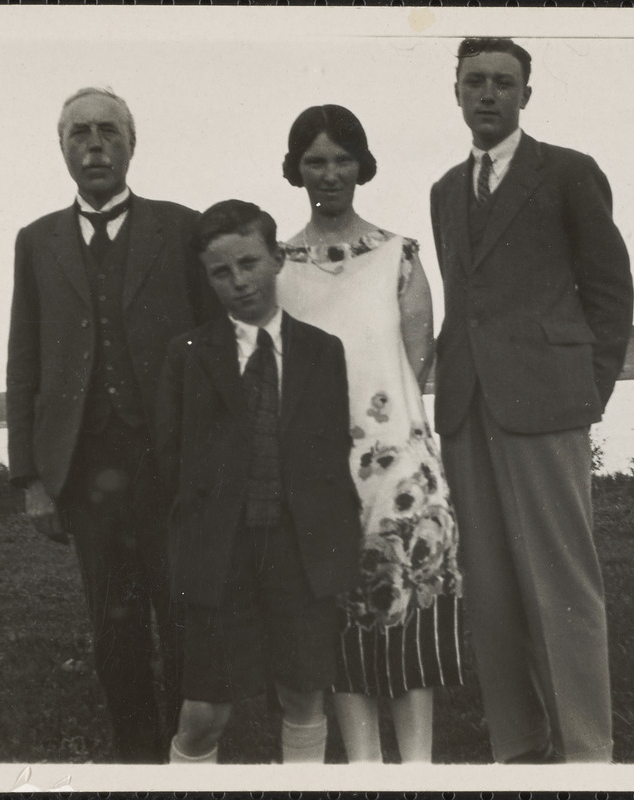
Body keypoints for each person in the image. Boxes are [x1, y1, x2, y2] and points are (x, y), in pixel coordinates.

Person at [429, 38, 634, 763]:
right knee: (486, 582)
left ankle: (586, 751)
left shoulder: (569, 174)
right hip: (465, 407)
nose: (488, 94)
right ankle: (517, 744)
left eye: (503, 83)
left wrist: (589, 387)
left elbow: (609, 292)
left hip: (547, 402)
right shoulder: (445, 190)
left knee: (561, 580)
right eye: (474, 82)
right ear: (455, 92)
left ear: (525, 95)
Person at [6, 87, 212, 762]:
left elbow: (217, 351)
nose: (94, 145)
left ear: (131, 142)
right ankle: (134, 756)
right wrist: (32, 478)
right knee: (112, 626)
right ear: (60, 147)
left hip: (170, 467)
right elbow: (24, 360)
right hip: (86, 475)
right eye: (79, 134)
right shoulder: (36, 242)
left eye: (107, 132)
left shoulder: (182, 229)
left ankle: (189, 754)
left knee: (182, 614)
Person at [276, 105, 463, 764]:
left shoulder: (398, 257)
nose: (329, 174)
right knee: (337, 619)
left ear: (361, 166)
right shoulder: (277, 266)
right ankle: (362, 768)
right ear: (296, 169)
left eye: (341, 160)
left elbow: (414, 360)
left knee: (408, 617)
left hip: (398, 470)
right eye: (315, 161)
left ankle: (416, 768)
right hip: (315, 471)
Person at [155, 199, 363, 765]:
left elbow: (330, 456)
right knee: (205, 712)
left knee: (302, 694)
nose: (239, 282)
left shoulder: (322, 352)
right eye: (221, 272)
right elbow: (172, 463)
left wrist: (334, 547)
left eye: (249, 263)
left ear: (277, 259)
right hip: (221, 556)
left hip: (300, 553)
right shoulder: (188, 356)